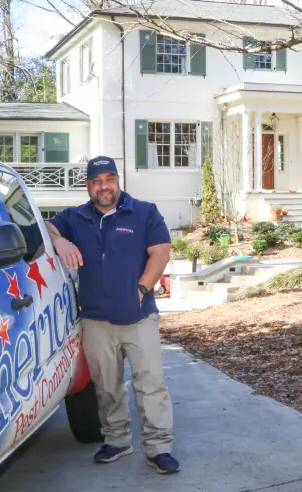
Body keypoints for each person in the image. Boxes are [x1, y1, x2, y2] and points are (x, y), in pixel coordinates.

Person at [45, 156, 179, 474]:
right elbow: (46, 227)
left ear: (118, 181)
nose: (104, 186)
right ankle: (117, 440)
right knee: (106, 385)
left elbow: (160, 252)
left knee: (150, 384)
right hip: (95, 320)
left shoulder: (144, 212)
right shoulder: (75, 217)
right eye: (97, 180)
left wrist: (142, 290)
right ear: (88, 185)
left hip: (139, 316)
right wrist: (60, 241)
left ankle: (158, 448)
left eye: (110, 179)